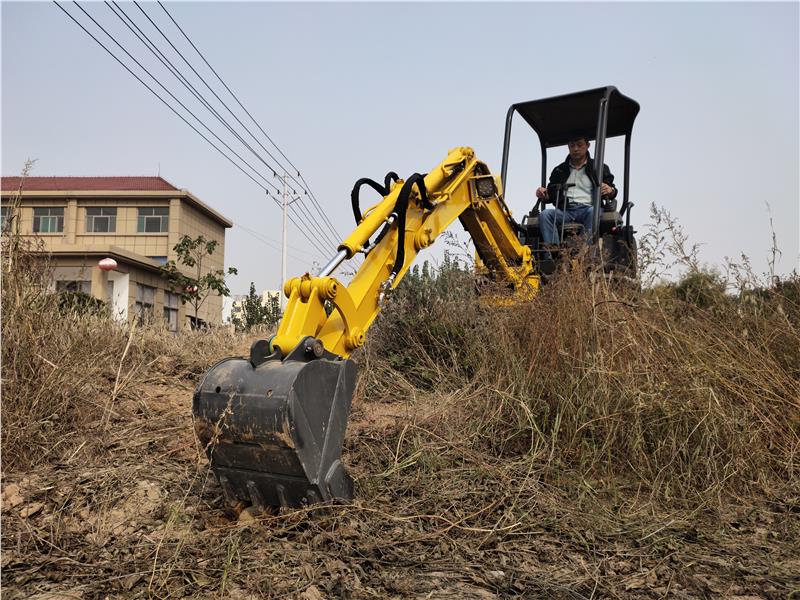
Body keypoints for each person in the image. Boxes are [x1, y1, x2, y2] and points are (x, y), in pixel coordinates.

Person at [535, 135, 617, 244]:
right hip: (565, 211)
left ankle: (584, 253)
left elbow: (612, 191)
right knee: (545, 214)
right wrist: (543, 193)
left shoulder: (599, 167)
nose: (575, 149)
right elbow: (551, 193)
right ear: (568, 147)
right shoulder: (559, 170)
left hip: (589, 209)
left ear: (587, 145)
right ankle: (553, 252)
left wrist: (610, 190)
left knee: (593, 212)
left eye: (579, 145)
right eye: (572, 146)